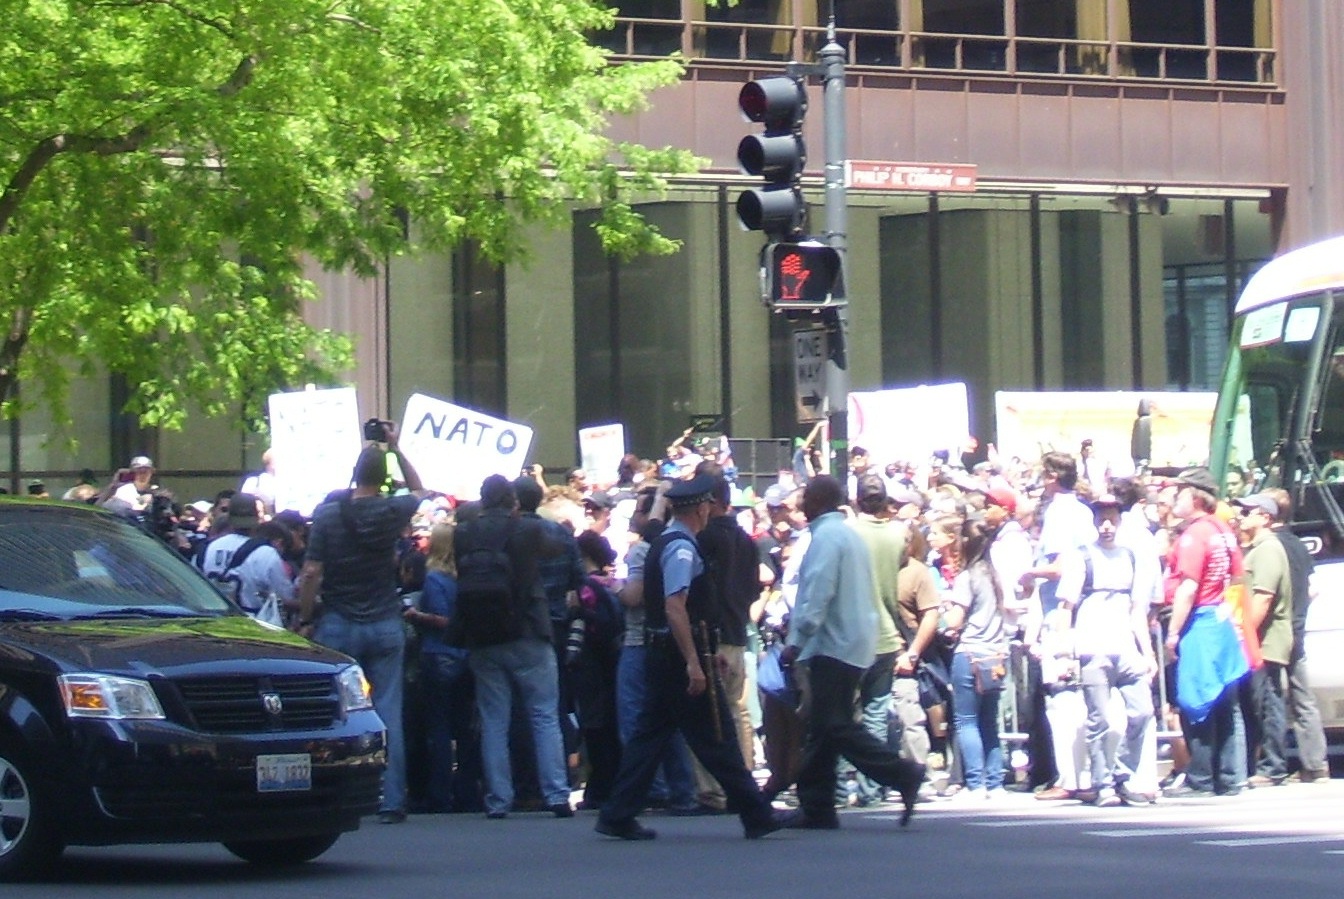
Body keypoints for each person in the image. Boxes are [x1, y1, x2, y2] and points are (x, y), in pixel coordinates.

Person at [595, 472, 786, 841]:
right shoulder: (682, 547)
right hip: (676, 658)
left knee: (649, 737)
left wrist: (703, 655)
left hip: (667, 654)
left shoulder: (671, 540)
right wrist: (694, 662)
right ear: (702, 507)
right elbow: (675, 607)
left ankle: (618, 813)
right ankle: (756, 813)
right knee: (716, 736)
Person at [296, 421, 426, 824]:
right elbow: (420, 490)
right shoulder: (392, 510)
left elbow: (312, 571)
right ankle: (391, 799)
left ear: (354, 473)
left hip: (338, 619)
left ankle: (338, 792)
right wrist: (398, 449)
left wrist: (304, 618)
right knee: (389, 711)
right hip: (385, 618)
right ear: (382, 477)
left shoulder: (329, 515)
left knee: (337, 711)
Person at [780, 475, 924, 829]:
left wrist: (798, 638)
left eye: (806, 499)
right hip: (854, 639)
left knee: (834, 724)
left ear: (818, 502)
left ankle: (901, 772)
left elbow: (817, 592)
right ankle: (818, 806)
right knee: (823, 728)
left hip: (833, 643)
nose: (801, 506)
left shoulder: (828, 537)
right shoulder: (846, 534)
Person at [458, 475, 574, 820]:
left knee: (494, 719)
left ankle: (498, 798)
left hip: (482, 633)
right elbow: (560, 547)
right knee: (543, 714)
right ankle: (555, 793)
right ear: (513, 501)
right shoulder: (526, 530)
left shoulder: (464, 533)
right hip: (528, 628)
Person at [1055, 494, 1158, 807]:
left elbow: (1138, 610)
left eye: (1112, 519)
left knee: (1142, 711)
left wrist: (1148, 653)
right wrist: (1064, 652)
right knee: (1099, 720)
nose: (1107, 525)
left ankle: (1122, 774)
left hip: (1125, 646)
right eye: (1101, 520)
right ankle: (1103, 784)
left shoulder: (1130, 557)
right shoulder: (1082, 556)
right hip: (1093, 646)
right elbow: (1065, 607)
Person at [1162, 466, 1250, 798]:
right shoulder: (1224, 532)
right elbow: (1238, 579)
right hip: (1221, 620)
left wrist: (1173, 632)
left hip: (1199, 620)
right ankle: (1228, 776)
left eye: (1180, 492)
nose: (1174, 499)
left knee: (1196, 700)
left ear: (1196, 497)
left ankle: (1200, 777)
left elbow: (1188, 586)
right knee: (1223, 701)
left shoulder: (1194, 535)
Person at [405, 523, 481, 813]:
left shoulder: (435, 578)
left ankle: (439, 793)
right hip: (465, 656)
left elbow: (442, 618)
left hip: (439, 654)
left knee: (438, 728)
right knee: (465, 728)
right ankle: (467, 791)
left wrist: (415, 615)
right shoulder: (465, 576)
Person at [944, 515, 1012, 802]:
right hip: (996, 654)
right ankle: (995, 782)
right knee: (989, 721)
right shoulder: (996, 576)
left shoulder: (967, 577)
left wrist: (945, 609)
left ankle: (975, 782)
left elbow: (955, 620)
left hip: (970, 652)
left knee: (966, 720)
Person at [1233, 492, 1292, 787]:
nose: (1241, 515)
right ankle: (1257, 763)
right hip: (1258, 640)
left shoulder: (1268, 548)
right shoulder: (1256, 548)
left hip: (1266, 641)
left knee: (1267, 703)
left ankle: (1273, 766)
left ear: (1265, 517)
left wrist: (1244, 637)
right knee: (1256, 703)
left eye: (1248, 511)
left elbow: (1263, 598)